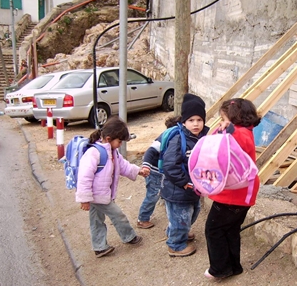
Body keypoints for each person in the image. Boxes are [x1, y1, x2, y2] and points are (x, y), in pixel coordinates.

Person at [203, 98, 262, 280]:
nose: (221, 122)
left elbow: (217, 143)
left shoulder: (238, 133)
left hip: (232, 194)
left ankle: (219, 269)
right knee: (230, 230)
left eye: (223, 117)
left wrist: (227, 129)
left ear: (233, 117)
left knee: (213, 230)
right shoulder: (246, 131)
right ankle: (233, 266)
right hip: (241, 193)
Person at [76, 116, 148, 258]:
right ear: (109, 139)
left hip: (100, 195)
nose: (120, 144)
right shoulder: (94, 153)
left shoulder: (113, 152)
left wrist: (138, 171)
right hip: (99, 196)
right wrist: (84, 199)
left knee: (96, 221)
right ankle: (129, 236)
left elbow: (123, 166)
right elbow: (84, 177)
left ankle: (99, 247)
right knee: (118, 215)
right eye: (119, 141)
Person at [161, 93, 209, 257]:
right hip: (178, 189)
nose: (196, 124)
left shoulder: (202, 138)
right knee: (181, 215)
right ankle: (175, 244)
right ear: (183, 122)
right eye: (191, 120)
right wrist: (183, 182)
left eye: (199, 120)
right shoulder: (178, 139)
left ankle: (176, 229)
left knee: (193, 212)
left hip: (192, 188)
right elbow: (170, 165)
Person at [137, 114, 182, 229]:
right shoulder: (164, 138)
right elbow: (150, 151)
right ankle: (142, 218)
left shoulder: (178, 138)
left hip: (163, 172)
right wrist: (146, 166)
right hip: (154, 172)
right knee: (153, 195)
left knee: (164, 190)